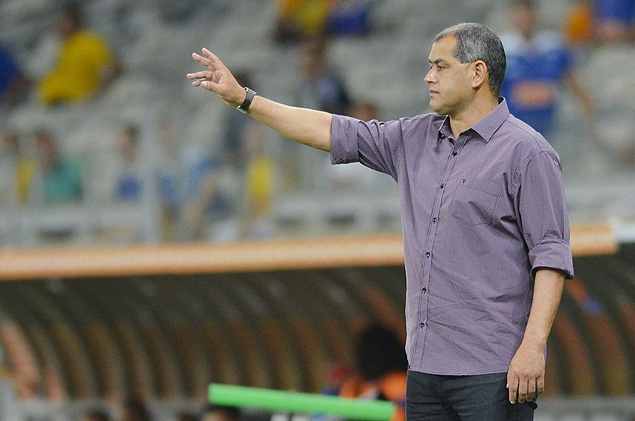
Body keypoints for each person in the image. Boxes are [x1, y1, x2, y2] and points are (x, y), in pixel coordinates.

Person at [188, 20, 573, 420]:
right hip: (424, 371)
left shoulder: (528, 153)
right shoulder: (413, 139)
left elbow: (550, 257)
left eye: (441, 67)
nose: (429, 76)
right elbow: (329, 129)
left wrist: (533, 347)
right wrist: (245, 99)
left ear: (478, 73)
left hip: (494, 371)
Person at [500, 0, 594, 137]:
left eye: (527, 12)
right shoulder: (502, 49)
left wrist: (588, 111)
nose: (524, 18)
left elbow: (572, 80)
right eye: (519, 13)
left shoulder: (554, 46)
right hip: (516, 126)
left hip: (552, 124)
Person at [37, 2, 118, 106]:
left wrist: (103, 90)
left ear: (75, 22)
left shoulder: (89, 41)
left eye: (65, 21)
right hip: (59, 99)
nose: (60, 25)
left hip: (80, 99)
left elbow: (110, 66)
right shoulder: (65, 46)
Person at [32, 130, 84, 205]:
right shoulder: (33, 176)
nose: (46, 155)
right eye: (42, 152)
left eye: (48, 150)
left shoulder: (73, 171)